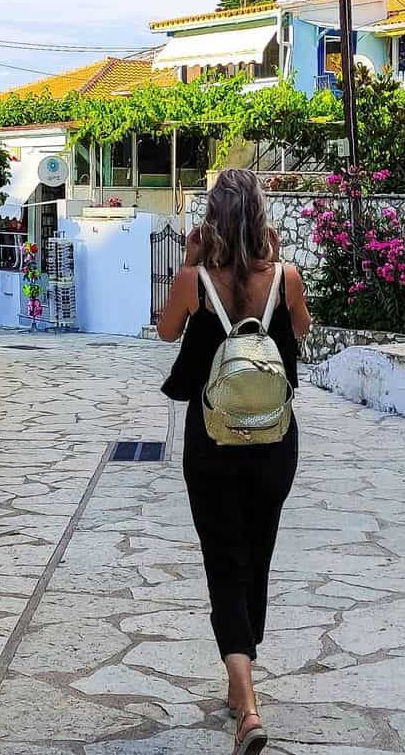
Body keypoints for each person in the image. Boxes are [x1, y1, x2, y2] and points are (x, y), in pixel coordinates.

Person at [158, 170, 312, 755]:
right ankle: (239, 678)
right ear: (261, 219)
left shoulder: (193, 281)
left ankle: (246, 706)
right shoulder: (286, 278)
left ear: (213, 220)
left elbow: (165, 332)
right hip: (275, 442)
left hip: (212, 443)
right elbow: (302, 331)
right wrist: (279, 264)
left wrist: (190, 260)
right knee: (257, 555)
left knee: (223, 562)